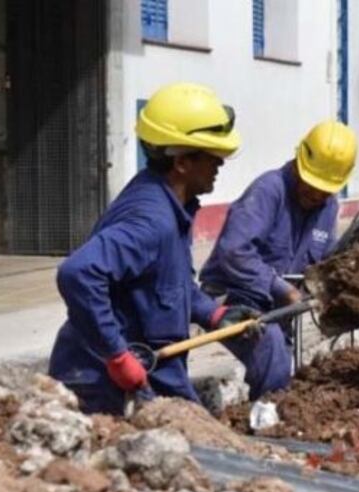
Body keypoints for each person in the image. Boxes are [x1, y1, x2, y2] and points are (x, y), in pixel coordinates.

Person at [48, 82, 254, 415]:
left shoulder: (172, 206)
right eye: (213, 157)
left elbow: (169, 283)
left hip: (151, 373)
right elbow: (78, 273)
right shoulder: (152, 220)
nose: (220, 165)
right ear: (183, 162)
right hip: (102, 386)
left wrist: (212, 313)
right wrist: (116, 356)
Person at [200, 120, 358, 400]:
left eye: (324, 190)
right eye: (311, 185)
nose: (316, 195)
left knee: (284, 362)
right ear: (299, 162)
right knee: (269, 345)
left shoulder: (327, 205)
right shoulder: (268, 190)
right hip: (233, 298)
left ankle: (270, 407)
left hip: (279, 309)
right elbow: (233, 251)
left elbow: (325, 259)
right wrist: (279, 287)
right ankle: (267, 418)